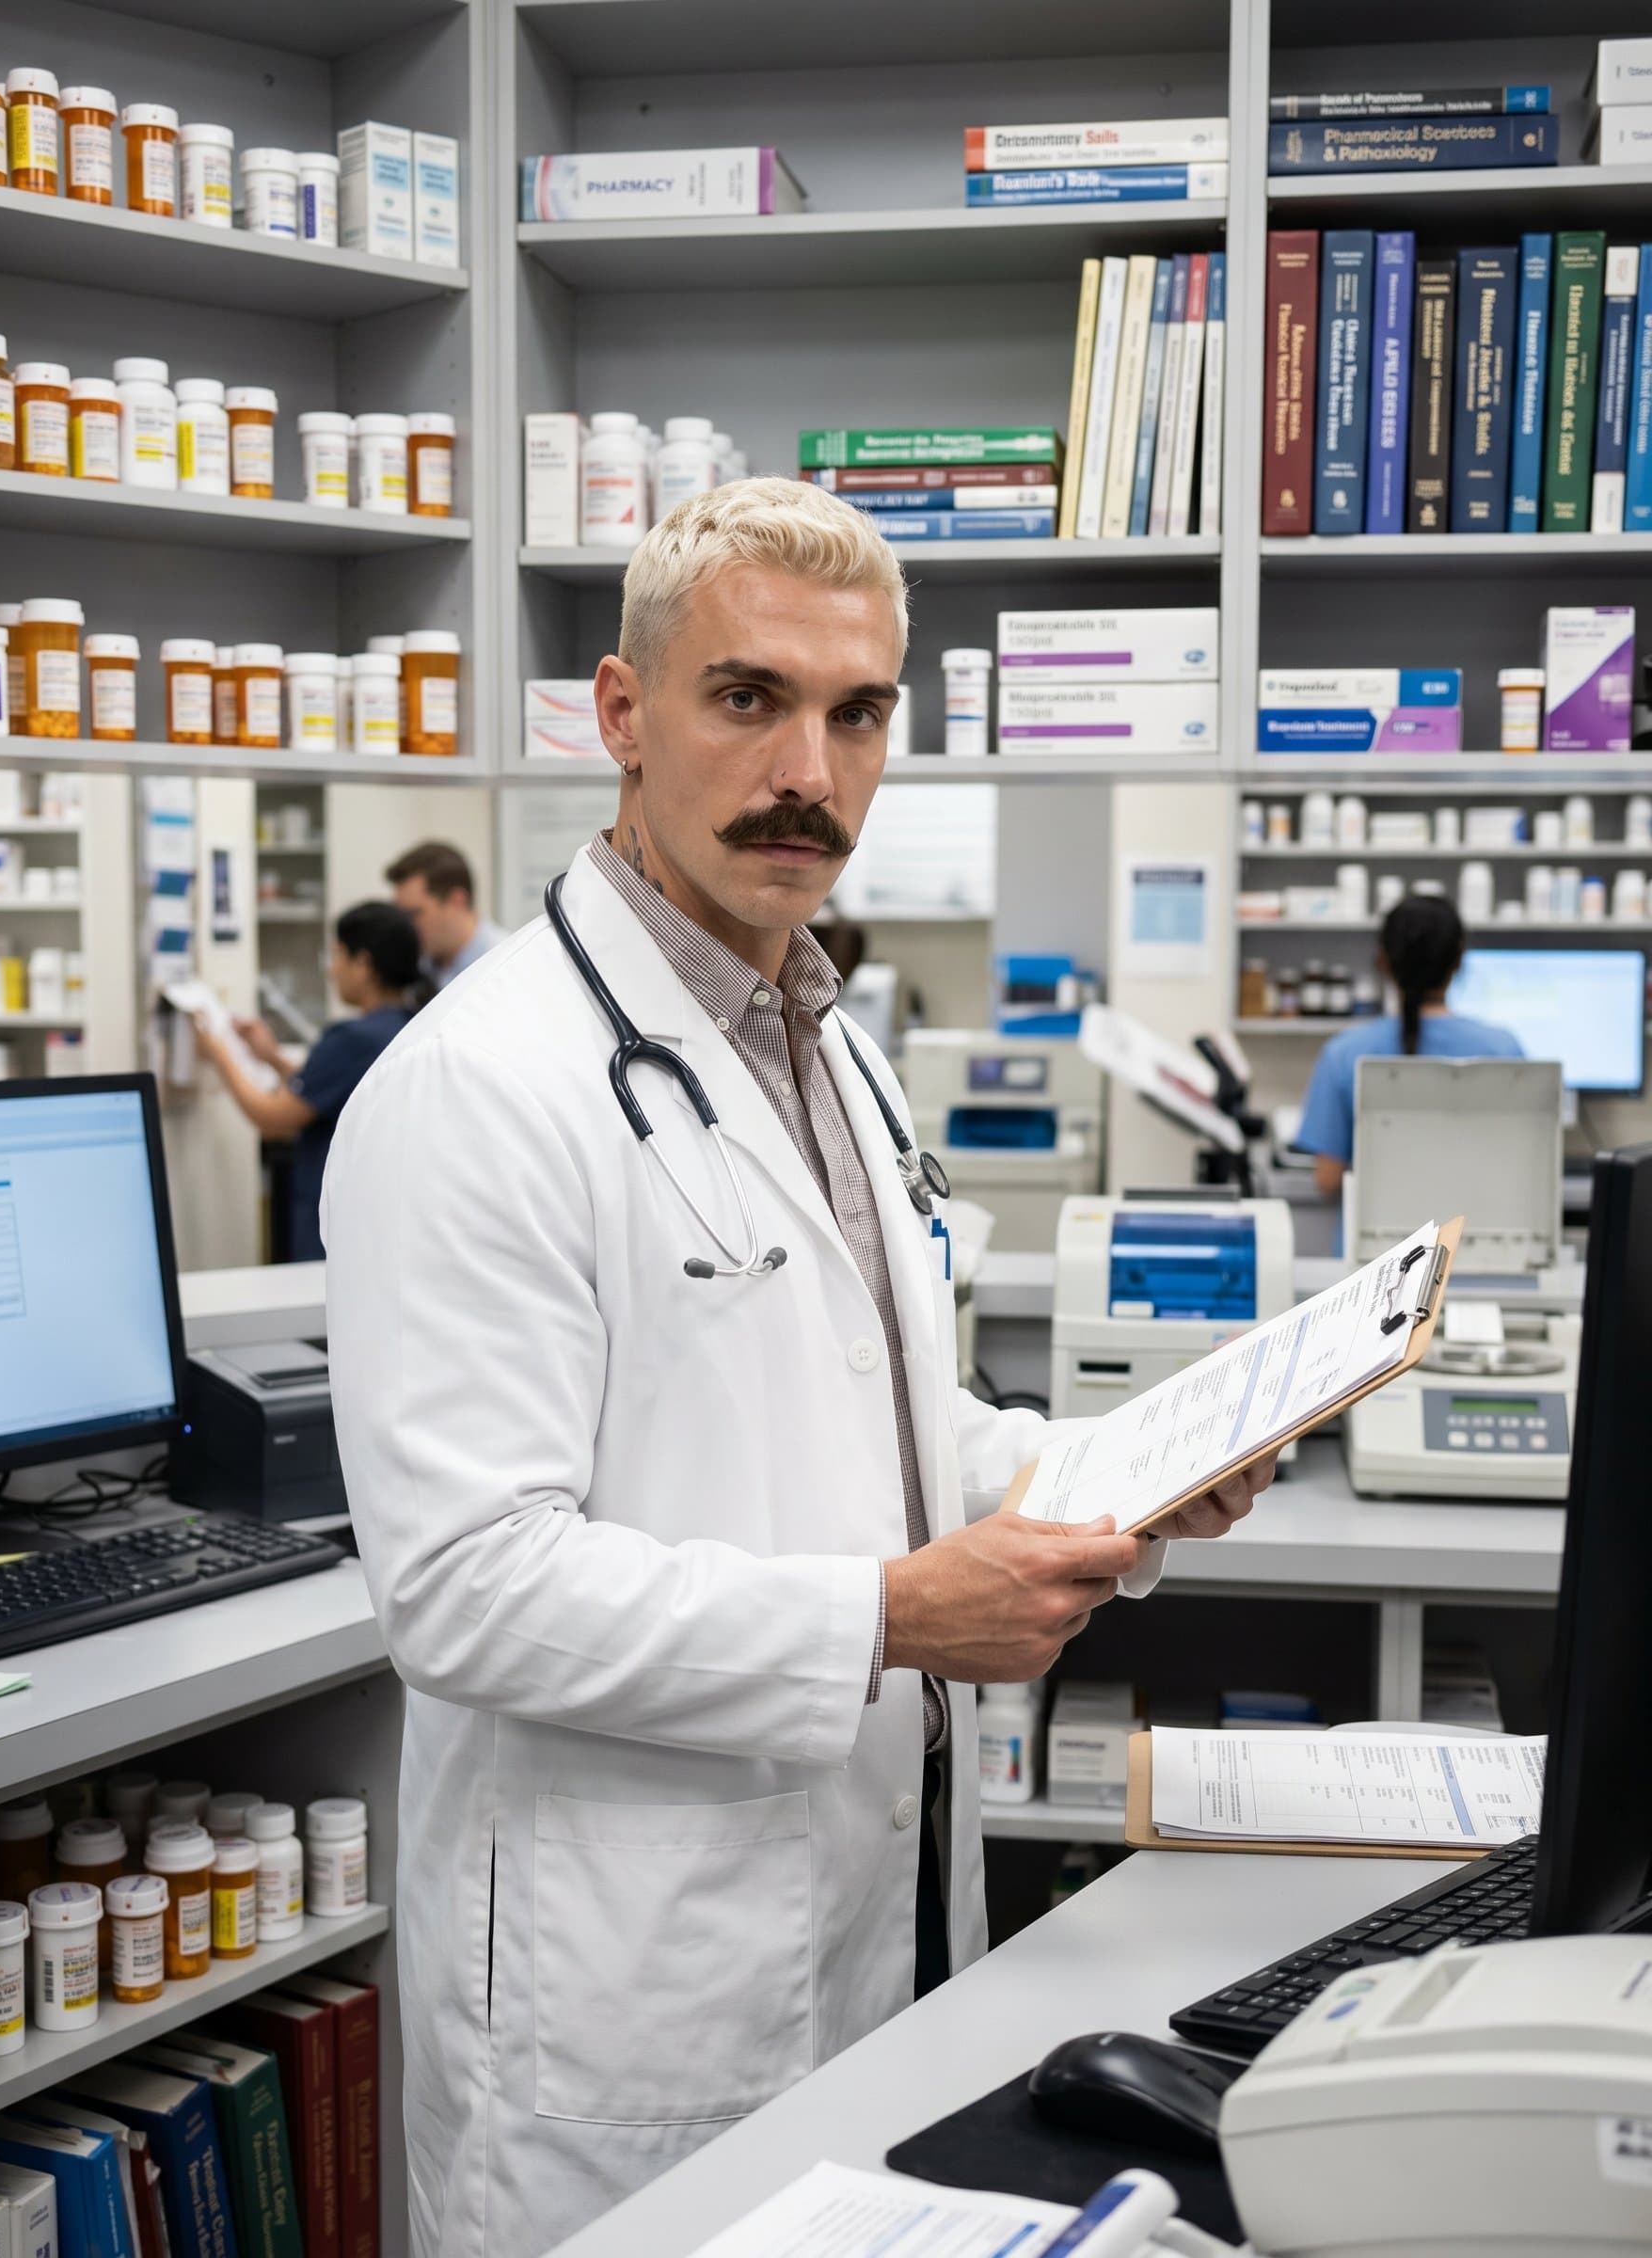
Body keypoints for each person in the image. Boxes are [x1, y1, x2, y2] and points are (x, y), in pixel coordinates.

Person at [321, 478, 1274, 2258]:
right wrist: (893, 1621)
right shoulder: (480, 1088)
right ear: (621, 713)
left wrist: (1115, 1477)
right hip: (634, 2000)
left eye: (855, 715)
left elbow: (888, 1427)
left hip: (872, 1911)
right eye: (746, 698)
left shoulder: (830, 1045)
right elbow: (462, 1591)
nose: (805, 774)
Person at [194, 899, 418, 1261]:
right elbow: (336, 1093)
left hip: (334, 1230)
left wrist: (219, 1051)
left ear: (363, 964)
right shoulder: (407, 1024)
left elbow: (273, 1120)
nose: (331, 970)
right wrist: (271, 1058)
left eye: (337, 956)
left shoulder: (352, 1038)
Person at [1295, 895, 1524, 1199]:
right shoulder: (1502, 1051)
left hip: (1374, 1247)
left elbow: (1328, 1180)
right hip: (1470, 1241)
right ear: (1458, 960)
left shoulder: (1344, 1054)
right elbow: (1521, 1168)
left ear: (1383, 962)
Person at [385, 838, 508, 991]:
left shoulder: (508, 965)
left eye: (413, 914)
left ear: (457, 902)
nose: (405, 926)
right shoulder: (417, 969)